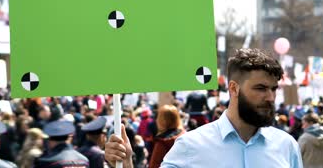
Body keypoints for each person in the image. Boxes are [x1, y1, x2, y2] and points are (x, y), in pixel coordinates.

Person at [105, 48, 303, 168]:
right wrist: (126, 165)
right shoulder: (190, 147)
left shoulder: (287, 146)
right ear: (233, 88)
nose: (270, 97)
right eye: (260, 88)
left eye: (273, 89)